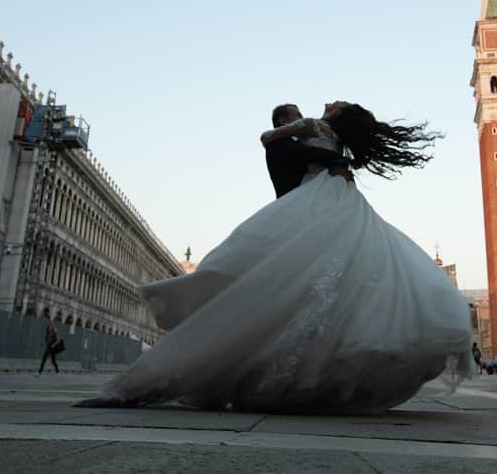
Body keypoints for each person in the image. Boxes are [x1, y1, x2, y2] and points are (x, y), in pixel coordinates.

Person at [77, 102, 472, 412]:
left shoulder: (317, 127)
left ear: (334, 114)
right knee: (344, 268)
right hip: (334, 196)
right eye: (295, 113)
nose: (319, 105)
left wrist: (306, 136)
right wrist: (322, 149)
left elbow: (275, 140)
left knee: (293, 267)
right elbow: (279, 141)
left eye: (330, 103)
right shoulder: (319, 131)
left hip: (323, 198)